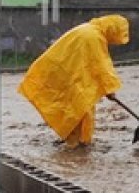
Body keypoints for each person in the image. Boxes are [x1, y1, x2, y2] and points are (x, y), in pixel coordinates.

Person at [18, 14, 130, 148]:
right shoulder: (94, 37)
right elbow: (101, 65)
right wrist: (109, 89)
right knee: (81, 109)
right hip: (67, 75)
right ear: (113, 30)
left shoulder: (87, 29)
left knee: (72, 109)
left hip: (61, 73)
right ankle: (78, 146)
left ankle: (72, 145)